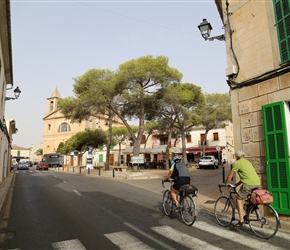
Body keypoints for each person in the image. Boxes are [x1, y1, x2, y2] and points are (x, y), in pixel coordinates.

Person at [225, 150, 260, 227]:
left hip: (248, 184)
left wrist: (225, 183)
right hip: (257, 182)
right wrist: (236, 185)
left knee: (239, 199)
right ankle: (249, 211)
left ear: (237, 156)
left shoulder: (237, 163)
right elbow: (245, 176)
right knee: (248, 197)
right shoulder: (247, 162)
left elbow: (230, 176)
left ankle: (241, 221)